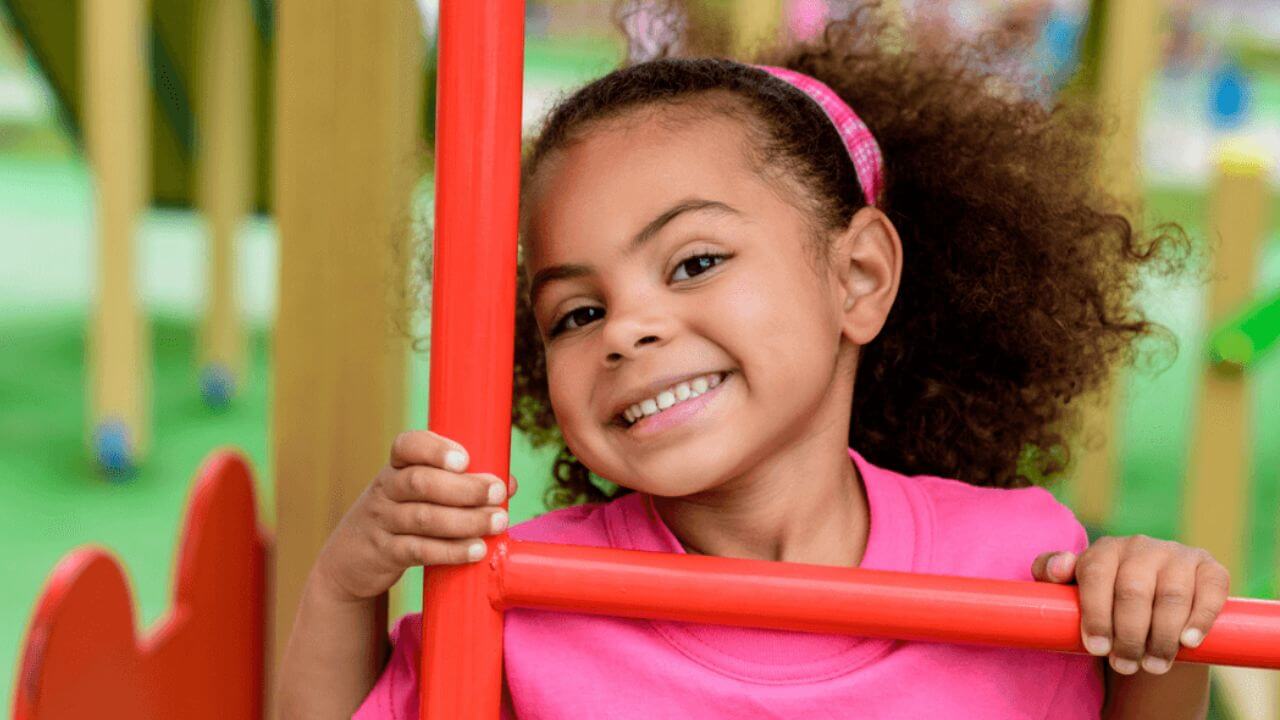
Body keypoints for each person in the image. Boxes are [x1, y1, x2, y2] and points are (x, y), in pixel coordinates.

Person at [279, 3, 1228, 718]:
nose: (625, 330)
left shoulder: (1013, 559)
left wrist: (1159, 628)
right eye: (576, 312)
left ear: (857, 276)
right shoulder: (520, 591)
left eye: (693, 262)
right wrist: (341, 584)